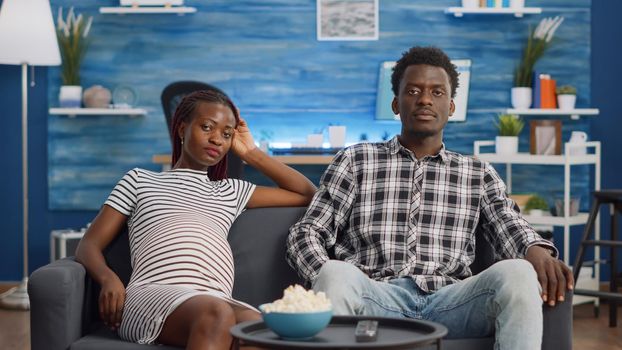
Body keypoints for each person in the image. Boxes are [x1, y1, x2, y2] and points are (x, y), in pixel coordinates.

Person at [286, 46, 573, 349]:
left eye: (437, 92)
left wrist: (535, 249)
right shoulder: (355, 161)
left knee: (518, 272)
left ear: (450, 106)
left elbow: (508, 222)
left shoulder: (477, 172)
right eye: (413, 91)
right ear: (396, 104)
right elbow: (306, 232)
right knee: (335, 272)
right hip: (375, 297)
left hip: (453, 302)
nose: (424, 99)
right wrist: (326, 279)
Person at [76, 89, 317, 349]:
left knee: (260, 329)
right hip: (152, 295)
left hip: (215, 298)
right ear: (182, 129)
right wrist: (108, 279)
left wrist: (250, 153)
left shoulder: (231, 190)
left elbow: (307, 194)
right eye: (207, 127)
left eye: (226, 134)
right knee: (216, 313)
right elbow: (88, 244)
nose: (217, 139)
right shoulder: (140, 180)